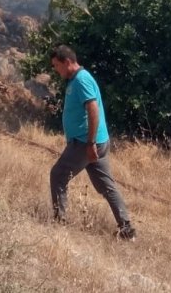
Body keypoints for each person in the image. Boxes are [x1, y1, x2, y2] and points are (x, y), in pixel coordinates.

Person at [49, 44, 136, 240]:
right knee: (106, 185)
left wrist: (90, 143)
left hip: (85, 143)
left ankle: (59, 222)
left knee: (58, 175)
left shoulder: (81, 80)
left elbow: (93, 109)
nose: (55, 70)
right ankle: (127, 229)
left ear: (68, 62)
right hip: (94, 142)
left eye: (56, 65)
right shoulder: (76, 80)